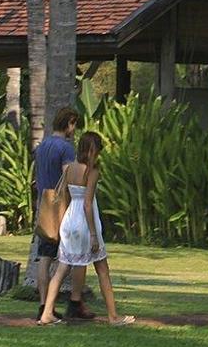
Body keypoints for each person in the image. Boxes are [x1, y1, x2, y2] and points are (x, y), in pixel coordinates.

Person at [38, 131, 134, 326]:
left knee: (61, 268)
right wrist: (93, 234)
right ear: (92, 150)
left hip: (69, 221)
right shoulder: (92, 171)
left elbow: (63, 196)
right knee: (102, 269)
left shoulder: (69, 168)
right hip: (83, 222)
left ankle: (46, 313)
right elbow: (88, 204)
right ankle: (113, 316)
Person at [29, 108, 88, 318]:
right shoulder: (65, 148)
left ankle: (44, 305)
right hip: (61, 208)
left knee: (44, 258)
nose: (74, 130)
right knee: (72, 257)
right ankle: (74, 302)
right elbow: (69, 176)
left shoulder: (42, 146)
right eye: (74, 125)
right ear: (69, 123)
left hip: (44, 206)